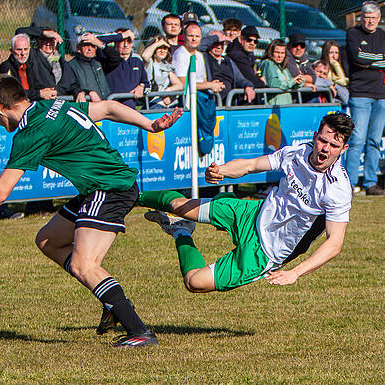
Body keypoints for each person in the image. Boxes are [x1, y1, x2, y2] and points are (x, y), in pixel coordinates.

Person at [0, 74, 183, 347]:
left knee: (85, 265)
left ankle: (139, 331)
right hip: (100, 187)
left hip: (109, 188)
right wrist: (151, 125)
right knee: (48, 240)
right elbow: (107, 107)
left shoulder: (31, 132)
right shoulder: (52, 106)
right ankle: (110, 300)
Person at [139, 112, 353, 293]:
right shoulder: (297, 152)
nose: (325, 149)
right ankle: (132, 194)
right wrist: (221, 170)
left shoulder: (338, 188)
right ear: (315, 136)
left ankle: (181, 231)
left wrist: (295, 273)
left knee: (194, 282)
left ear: (343, 149)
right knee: (178, 205)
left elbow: (334, 243)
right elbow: (251, 165)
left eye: (334, 145)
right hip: (251, 214)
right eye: (323, 141)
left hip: (266, 251)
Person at [344, 0, 385, 196]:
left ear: (379, 18)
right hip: (360, 94)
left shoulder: (384, 36)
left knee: (374, 140)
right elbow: (357, 57)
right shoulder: (353, 34)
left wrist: (370, 60)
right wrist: (379, 59)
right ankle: (348, 184)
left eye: (374, 18)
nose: (370, 21)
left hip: (382, 94)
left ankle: (370, 183)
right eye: (367, 17)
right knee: (357, 140)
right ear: (362, 18)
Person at [0, 33, 58, 101]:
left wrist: (49, 92)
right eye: (19, 50)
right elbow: (10, 93)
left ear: (29, 49)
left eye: (26, 49)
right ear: (11, 51)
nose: (23, 53)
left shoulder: (31, 64)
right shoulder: (6, 68)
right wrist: (38, 94)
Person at [172, 22, 225, 97]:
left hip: (201, 97)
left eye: (197, 36)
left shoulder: (199, 55)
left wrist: (213, 85)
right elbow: (183, 84)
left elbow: (203, 80)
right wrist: (209, 85)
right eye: (190, 36)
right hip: (186, 99)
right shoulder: (180, 54)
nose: (194, 39)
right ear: (184, 37)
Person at [200, 31, 254, 103]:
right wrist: (217, 38)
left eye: (221, 43)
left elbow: (240, 79)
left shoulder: (228, 61)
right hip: (210, 103)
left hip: (228, 104)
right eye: (216, 43)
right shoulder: (203, 57)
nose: (219, 47)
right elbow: (199, 46)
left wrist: (248, 86)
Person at [102, 28, 148, 108]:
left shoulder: (137, 60)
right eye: (122, 41)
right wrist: (119, 36)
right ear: (115, 42)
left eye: (129, 41)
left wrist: (142, 86)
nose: (126, 45)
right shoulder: (107, 59)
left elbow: (146, 83)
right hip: (112, 107)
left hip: (133, 108)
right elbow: (95, 40)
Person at [225, 25, 265, 103]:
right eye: (249, 40)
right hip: (240, 99)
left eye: (255, 41)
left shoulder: (248, 54)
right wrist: (262, 82)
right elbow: (253, 80)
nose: (252, 43)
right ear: (241, 39)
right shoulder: (237, 55)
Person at [141, 36, 183, 108]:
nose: (162, 51)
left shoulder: (166, 65)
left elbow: (179, 85)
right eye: (159, 48)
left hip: (168, 103)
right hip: (153, 103)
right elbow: (145, 56)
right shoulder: (149, 63)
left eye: (165, 48)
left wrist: (166, 92)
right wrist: (157, 43)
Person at [259, 39, 302, 105]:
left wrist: (298, 82)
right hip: (273, 107)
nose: (280, 56)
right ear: (271, 52)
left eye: (282, 53)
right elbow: (273, 83)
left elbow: (290, 83)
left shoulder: (283, 67)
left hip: (286, 105)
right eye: (277, 52)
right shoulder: (268, 63)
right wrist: (292, 82)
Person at [69, 36, 108, 102]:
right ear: (78, 48)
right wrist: (88, 92)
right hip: (87, 106)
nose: (90, 48)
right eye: (86, 45)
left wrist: (101, 45)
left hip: (104, 104)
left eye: (92, 45)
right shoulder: (71, 65)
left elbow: (114, 57)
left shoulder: (99, 63)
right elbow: (71, 86)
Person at [320, 40, 348, 106]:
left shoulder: (338, 66)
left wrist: (336, 65)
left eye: (336, 53)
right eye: (331, 53)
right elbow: (342, 81)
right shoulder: (321, 66)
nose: (334, 56)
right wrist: (336, 65)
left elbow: (343, 82)